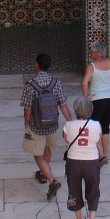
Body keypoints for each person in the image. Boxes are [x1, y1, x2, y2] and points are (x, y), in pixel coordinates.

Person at [21, 53, 71, 200]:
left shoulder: (30, 85)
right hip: (51, 124)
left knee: (37, 153)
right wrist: (71, 121)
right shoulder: (56, 83)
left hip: (36, 125)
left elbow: (27, 108)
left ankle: (51, 180)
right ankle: (43, 172)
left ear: (37, 65)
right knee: (47, 147)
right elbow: (62, 104)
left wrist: (26, 122)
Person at [80, 41, 110, 165]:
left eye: (91, 51)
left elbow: (84, 82)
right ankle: (105, 153)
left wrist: (85, 97)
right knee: (105, 127)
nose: (90, 53)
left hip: (96, 100)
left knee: (92, 126)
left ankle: (100, 155)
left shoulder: (92, 66)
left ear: (96, 52)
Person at [61, 96, 103, 219]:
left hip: (73, 162)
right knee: (93, 191)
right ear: (90, 110)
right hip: (91, 162)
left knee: (74, 190)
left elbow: (66, 138)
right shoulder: (96, 125)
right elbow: (97, 139)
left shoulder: (69, 125)